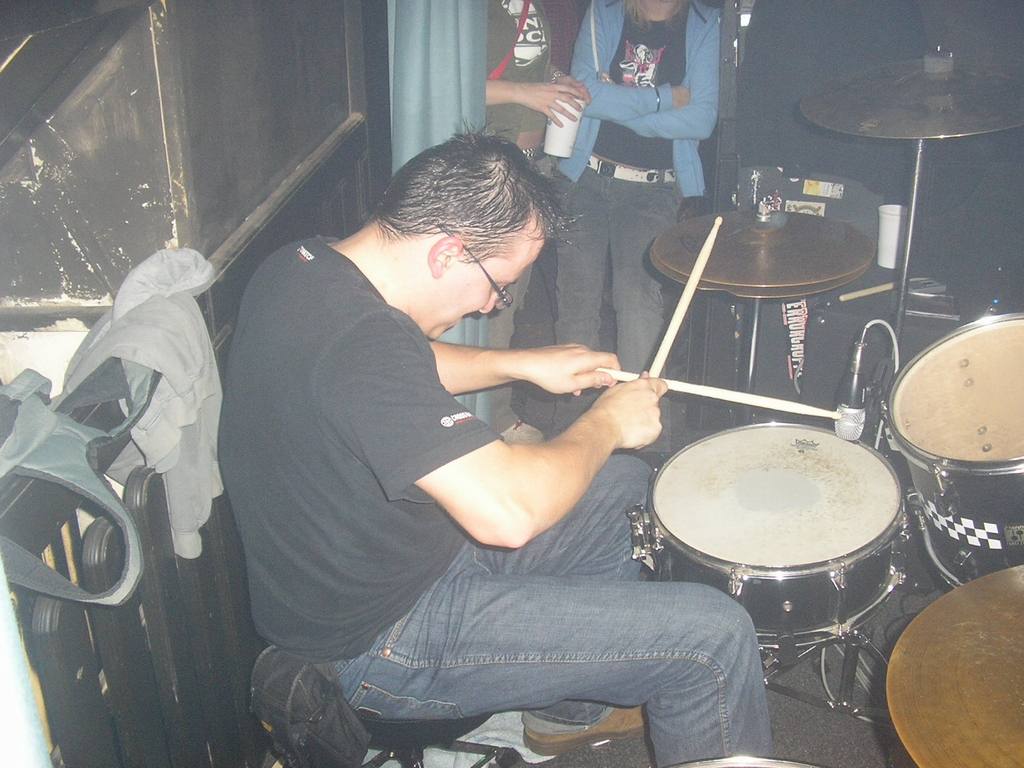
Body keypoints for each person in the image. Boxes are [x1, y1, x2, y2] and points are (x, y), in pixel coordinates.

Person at [219, 133, 772, 767]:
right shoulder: (360, 345)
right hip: (378, 641)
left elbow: (400, 364)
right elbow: (507, 515)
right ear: (448, 252)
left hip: (404, 562)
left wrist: (521, 363)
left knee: (621, 486)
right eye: (498, 285)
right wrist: (607, 423)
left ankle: (566, 713)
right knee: (713, 636)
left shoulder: (305, 266)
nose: (490, 306)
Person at [552, 0, 720, 435]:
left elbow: (701, 119)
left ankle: (637, 424)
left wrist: (624, 111)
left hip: (652, 188)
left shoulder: (706, 23)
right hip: (586, 177)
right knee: (577, 301)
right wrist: (664, 99)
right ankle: (573, 427)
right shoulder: (605, 12)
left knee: (637, 299)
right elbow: (584, 98)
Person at [484, 0, 590, 441]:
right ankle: (484, 416)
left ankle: (495, 411)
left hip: (533, 164)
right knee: (487, 297)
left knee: (508, 299)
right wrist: (523, 94)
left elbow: (525, 65)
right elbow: (447, 80)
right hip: (491, 163)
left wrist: (554, 79)